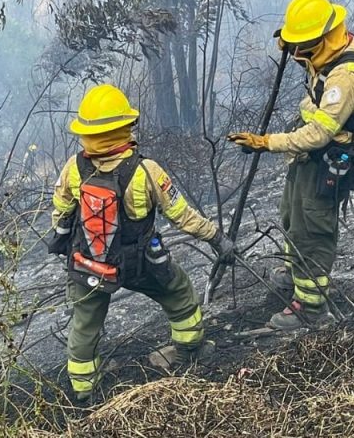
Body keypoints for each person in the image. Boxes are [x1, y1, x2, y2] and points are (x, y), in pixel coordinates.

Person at [49, 84, 235, 401]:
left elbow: (61, 213)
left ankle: (83, 391)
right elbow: (182, 215)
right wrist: (217, 237)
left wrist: (67, 248)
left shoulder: (73, 168)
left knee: (85, 324)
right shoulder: (145, 171)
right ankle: (190, 351)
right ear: (125, 127)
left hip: (88, 263)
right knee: (178, 292)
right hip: (138, 263)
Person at [228, 0, 354, 332]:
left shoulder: (346, 76)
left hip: (326, 160)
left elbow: (319, 135)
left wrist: (266, 143)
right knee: (292, 218)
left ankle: (310, 307)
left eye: (302, 48)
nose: (296, 55)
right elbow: (310, 63)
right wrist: (289, 43)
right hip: (307, 162)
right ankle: (294, 274)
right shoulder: (329, 51)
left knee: (312, 231)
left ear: (323, 39)